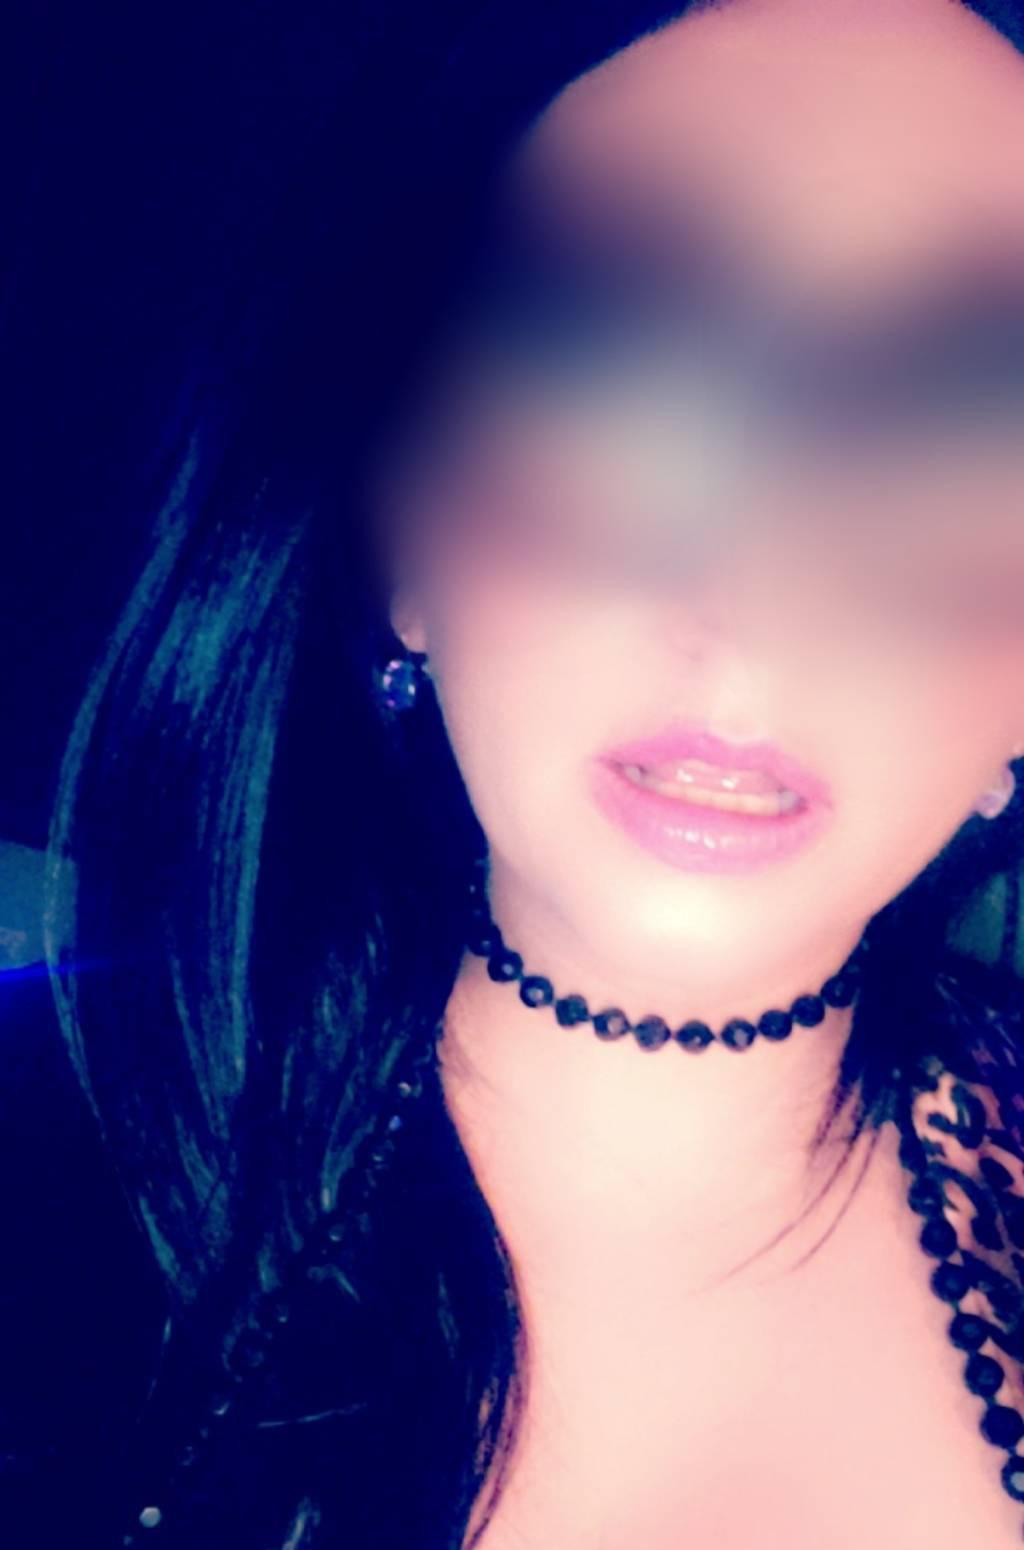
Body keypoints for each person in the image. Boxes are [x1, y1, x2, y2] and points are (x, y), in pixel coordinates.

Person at [9, 0, 1024, 1545]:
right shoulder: (45, 1182)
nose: (760, 594)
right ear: (405, 526)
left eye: (963, 417)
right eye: (615, 357)